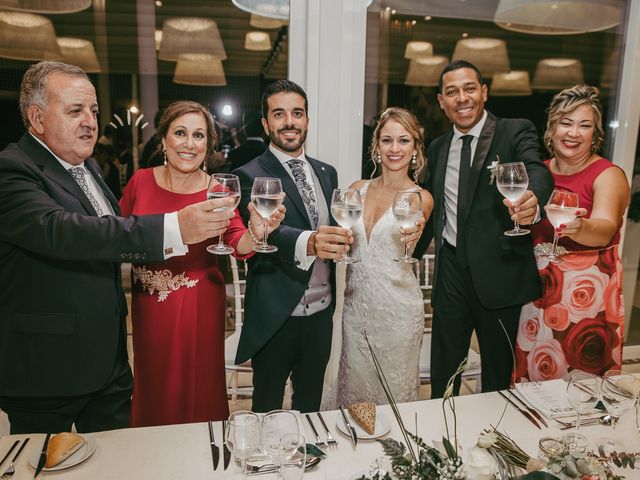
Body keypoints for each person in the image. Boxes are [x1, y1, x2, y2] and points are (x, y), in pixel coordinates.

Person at [0, 61, 235, 434]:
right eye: (75, 110)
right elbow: (62, 231)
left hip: (108, 368)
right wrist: (175, 227)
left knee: (120, 462)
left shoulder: (85, 168)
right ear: (37, 117)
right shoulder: (13, 169)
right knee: (42, 467)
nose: (91, 121)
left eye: (93, 110)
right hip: (48, 371)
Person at [120, 101, 284, 427]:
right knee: (154, 382)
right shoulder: (140, 181)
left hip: (200, 305)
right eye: (180, 133)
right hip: (150, 305)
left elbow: (239, 242)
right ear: (163, 140)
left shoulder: (217, 189)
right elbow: (119, 235)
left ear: (207, 145)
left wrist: (259, 231)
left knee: (199, 388)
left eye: (198, 135)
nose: (189, 143)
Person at [414, 60, 554, 397]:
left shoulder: (514, 131)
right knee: (444, 372)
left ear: (484, 93)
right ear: (441, 101)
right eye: (452, 92)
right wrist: (407, 252)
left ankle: (493, 439)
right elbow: (435, 207)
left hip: (500, 273)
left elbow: (537, 170)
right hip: (450, 275)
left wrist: (532, 199)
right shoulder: (438, 147)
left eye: (469, 88)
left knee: (496, 378)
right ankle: (442, 432)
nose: (461, 98)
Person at [232, 80, 351, 413]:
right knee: (267, 408)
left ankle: (310, 459)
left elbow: (336, 225)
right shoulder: (248, 174)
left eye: (297, 113)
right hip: (275, 316)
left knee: (309, 405)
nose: (289, 122)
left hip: (320, 315)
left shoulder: (328, 173)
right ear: (266, 123)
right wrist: (310, 242)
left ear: (307, 121)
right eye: (279, 114)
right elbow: (269, 232)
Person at [515, 85, 630, 382]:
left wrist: (580, 227)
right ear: (551, 129)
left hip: (586, 299)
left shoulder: (608, 174)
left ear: (596, 133)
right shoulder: (537, 173)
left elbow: (604, 229)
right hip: (536, 292)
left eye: (584, 125)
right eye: (565, 123)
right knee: (534, 373)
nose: (573, 133)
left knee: (582, 380)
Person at [335, 107, 433, 406]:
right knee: (353, 394)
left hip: (398, 314)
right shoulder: (355, 190)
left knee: (393, 398)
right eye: (387, 140)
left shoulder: (420, 197)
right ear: (376, 146)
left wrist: (414, 234)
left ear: (415, 148)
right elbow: (344, 237)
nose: (394, 149)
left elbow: (415, 231)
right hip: (356, 310)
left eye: (403, 141)